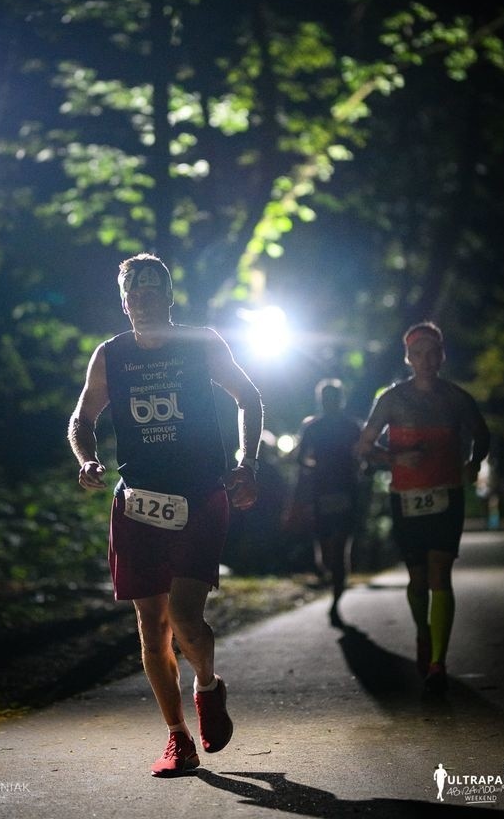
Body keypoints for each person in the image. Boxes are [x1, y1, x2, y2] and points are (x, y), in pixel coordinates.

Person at [68, 253, 263, 776]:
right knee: (151, 628)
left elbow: (248, 397)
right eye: (135, 293)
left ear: (170, 296)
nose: (144, 300)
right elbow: (82, 418)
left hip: (199, 496)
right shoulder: (110, 355)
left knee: (185, 619)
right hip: (137, 503)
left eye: (154, 291)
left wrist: (246, 464)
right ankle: (178, 738)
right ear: (124, 301)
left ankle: (207, 686)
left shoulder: (201, 343)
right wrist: (87, 459)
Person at [357, 322, 490, 694]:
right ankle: (423, 632)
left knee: (440, 576)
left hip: (448, 496)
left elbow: (482, 435)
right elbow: (364, 447)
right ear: (409, 358)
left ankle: (437, 663)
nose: (427, 360)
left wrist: (474, 462)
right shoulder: (392, 400)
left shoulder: (457, 398)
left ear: (442, 356)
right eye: (419, 354)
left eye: (434, 353)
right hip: (406, 498)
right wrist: (396, 457)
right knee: (418, 580)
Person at [296, 380, 361, 628]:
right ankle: (335, 587)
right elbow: (301, 459)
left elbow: (301, 460)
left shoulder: (348, 426)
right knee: (329, 553)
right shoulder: (315, 426)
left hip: (340, 491)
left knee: (338, 548)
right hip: (326, 493)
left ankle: (335, 600)